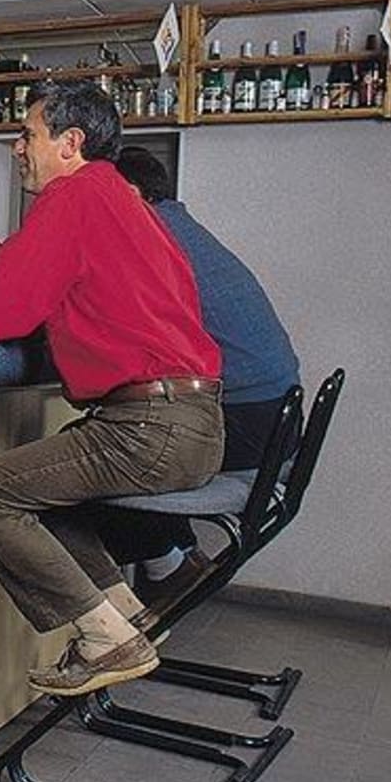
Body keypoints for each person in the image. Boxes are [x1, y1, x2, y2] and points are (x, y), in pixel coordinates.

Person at [0, 80, 224, 696]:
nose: (18, 148)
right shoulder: (118, 198)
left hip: (148, 426)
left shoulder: (72, 195)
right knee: (45, 498)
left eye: (27, 135)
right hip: (192, 420)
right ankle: (125, 615)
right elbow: (54, 283)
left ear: (70, 143)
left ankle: (104, 638)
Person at [96, 146, 301, 611]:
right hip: (275, 420)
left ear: (130, 193)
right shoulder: (185, 229)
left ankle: (166, 569)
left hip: (247, 423)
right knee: (136, 431)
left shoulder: (149, 237)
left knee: (100, 457)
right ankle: (175, 561)